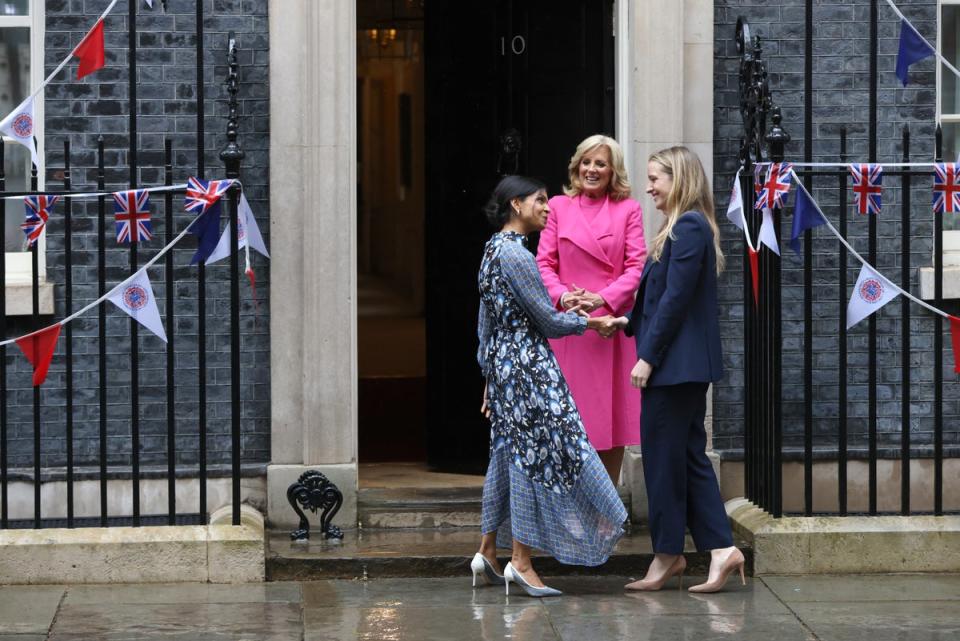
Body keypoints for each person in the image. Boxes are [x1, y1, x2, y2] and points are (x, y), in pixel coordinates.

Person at [471, 175, 627, 598]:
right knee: (537, 456)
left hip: (506, 366)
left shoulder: (492, 250)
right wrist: (594, 322)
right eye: (540, 201)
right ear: (516, 205)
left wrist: (490, 375)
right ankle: (521, 562)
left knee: (507, 451)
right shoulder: (517, 254)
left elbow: (488, 323)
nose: (547, 207)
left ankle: (487, 551)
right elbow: (546, 321)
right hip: (529, 366)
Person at [612, 146, 745, 593]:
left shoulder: (688, 226)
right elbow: (656, 298)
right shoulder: (682, 227)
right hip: (682, 366)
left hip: (675, 366)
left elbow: (676, 300)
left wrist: (647, 357)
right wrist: (623, 321)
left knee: (664, 462)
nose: (649, 187)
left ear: (680, 178)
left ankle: (667, 556)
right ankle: (721, 550)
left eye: (655, 178)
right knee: (688, 458)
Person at [536, 134, 645, 483]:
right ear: (576, 166)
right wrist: (563, 298)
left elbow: (636, 267)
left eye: (600, 163)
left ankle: (605, 508)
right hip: (569, 329)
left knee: (610, 422)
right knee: (567, 420)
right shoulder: (558, 206)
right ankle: (569, 509)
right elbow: (543, 263)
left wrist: (603, 299)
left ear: (613, 171)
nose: (592, 169)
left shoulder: (628, 209)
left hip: (609, 328)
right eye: (587, 162)